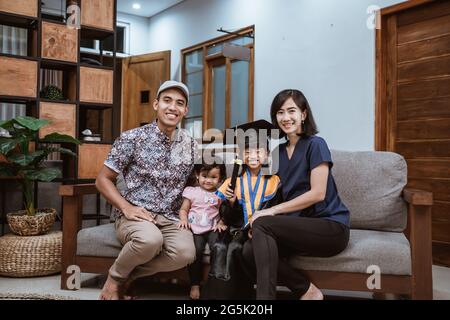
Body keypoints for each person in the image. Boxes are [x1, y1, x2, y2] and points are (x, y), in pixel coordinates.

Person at [241, 89, 350, 300]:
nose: (285, 117)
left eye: (292, 110)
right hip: (299, 228)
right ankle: (306, 290)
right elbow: (272, 192)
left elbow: (318, 193)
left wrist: (270, 214)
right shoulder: (278, 153)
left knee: (263, 223)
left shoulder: (316, 145)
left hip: (330, 227)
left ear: (304, 114)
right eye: (280, 112)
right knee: (247, 250)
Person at [96, 80, 198, 300]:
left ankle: (130, 278)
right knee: (150, 240)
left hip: (171, 217)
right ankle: (113, 280)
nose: (173, 107)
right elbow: (103, 179)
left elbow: (193, 182)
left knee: (185, 253)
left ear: (185, 110)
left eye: (180, 103)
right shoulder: (131, 138)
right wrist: (126, 207)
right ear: (156, 104)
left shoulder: (190, 144)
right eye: (167, 101)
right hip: (136, 215)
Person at [202, 120, 282, 300]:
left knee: (236, 248)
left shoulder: (274, 181)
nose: (252, 156)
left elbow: (277, 210)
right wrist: (231, 203)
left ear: (267, 154)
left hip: (259, 231)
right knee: (220, 246)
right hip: (236, 229)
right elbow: (227, 215)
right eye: (247, 152)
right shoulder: (234, 180)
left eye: (258, 151)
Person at [177, 163, 228, 300]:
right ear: (197, 175)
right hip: (195, 228)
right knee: (196, 250)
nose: (208, 180)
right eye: (204, 176)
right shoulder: (192, 191)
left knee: (217, 248)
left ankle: (212, 283)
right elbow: (184, 209)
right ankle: (195, 284)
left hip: (212, 228)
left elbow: (225, 211)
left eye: (213, 177)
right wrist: (183, 219)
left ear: (220, 179)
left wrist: (222, 222)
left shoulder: (221, 194)